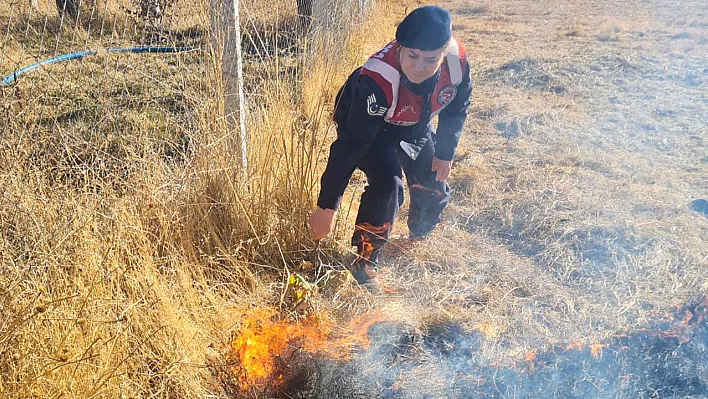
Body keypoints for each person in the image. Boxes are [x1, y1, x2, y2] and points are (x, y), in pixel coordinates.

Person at [308, 5, 472, 290]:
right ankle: (364, 261)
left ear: (443, 53)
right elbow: (350, 145)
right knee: (388, 186)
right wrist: (327, 207)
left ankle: (419, 234)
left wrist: (445, 151)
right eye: (413, 56)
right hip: (372, 127)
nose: (420, 66)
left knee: (432, 181)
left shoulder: (455, 64)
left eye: (430, 59)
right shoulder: (378, 78)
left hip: (413, 123)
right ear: (400, 47)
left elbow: (457, 106)